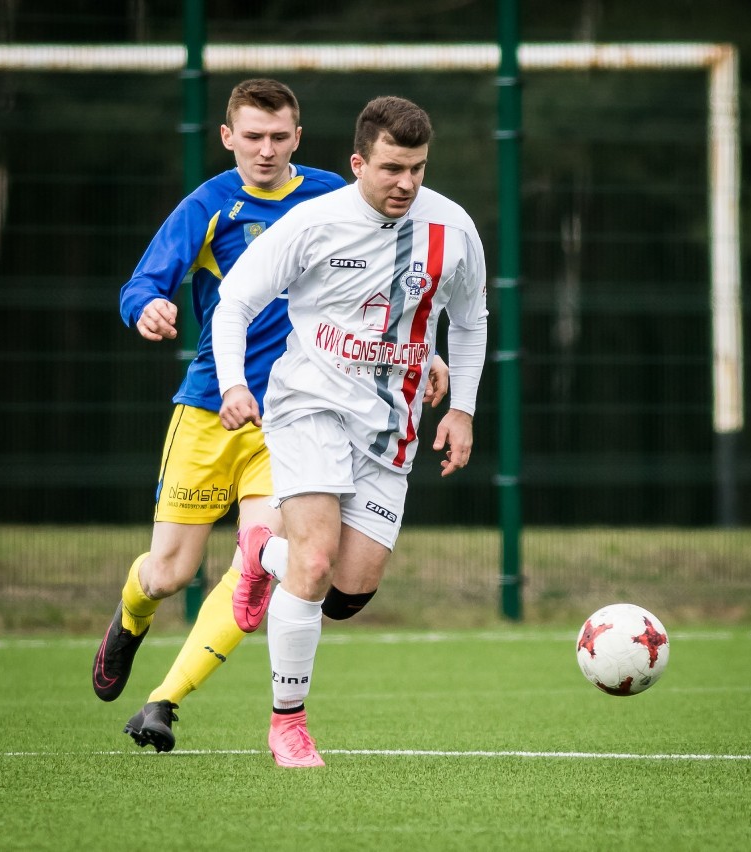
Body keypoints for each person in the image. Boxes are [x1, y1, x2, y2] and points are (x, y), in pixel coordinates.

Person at [91, 78, 451, 754]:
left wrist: (423, 352)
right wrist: (146, 307)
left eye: (278, 137)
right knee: (169, 572)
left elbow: (396, 289)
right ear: (228, 138)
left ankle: (164, 701)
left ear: (299, 137)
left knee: (259, 566)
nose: (264, 149)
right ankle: (133, 614)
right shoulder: (208, 206)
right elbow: (142, 281)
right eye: (251, 137)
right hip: (210, 409)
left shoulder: (335, 198)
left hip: (298, 414)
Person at [212, 95, 488, 767]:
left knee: (349, 591)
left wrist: (462, 410)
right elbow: (236, 302)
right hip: (308, 405)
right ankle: (288, 725)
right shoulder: (314, 223)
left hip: (390, 425)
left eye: (418, 169)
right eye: (392, 168)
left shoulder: (453, 229)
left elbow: (472, 320)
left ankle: (258, 552)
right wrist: (232, 383)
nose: (406, 184)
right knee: (312, 558)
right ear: (358, 161)